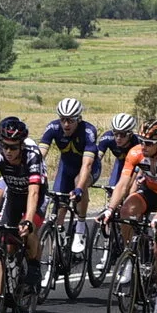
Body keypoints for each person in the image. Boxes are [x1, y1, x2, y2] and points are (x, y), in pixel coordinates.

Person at [103, 116, 157, 313]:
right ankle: (130, 256)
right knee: (126, 210)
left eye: (148, 143)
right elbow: (122, 183)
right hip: (149, 190)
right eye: (142, 141)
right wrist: (110, 209)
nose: (143, 146)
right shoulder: (136, 152)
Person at [0, 116, 46, 278]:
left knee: (28, 232)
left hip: (36, 197)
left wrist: (28, 220)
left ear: (21, 146)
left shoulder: (32, 154)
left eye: (13, 148)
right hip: (14, 195)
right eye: (5, 146)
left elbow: (34, 192)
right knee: (8, 244)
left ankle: (34, 267)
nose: (8, 151)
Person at [40, 97, 100, 254]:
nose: (66, 124)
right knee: (60, 208)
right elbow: (40, 154)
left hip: (89, 168)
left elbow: (87, 164)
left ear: (79, 119)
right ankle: (58, 250)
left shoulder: (88, 131)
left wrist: (79, 188)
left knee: (79, 181)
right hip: (65, 168)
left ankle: (80, 226)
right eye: (63, 120)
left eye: (70, 120)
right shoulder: (53, 127)